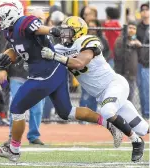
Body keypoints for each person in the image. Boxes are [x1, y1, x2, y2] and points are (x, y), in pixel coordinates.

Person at [0, 2, 122, 162]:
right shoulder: (10, 31)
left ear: (11, 14)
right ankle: (108, 123)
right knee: (66, 112)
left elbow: (38, 28)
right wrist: (7, 56)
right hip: (55, 71)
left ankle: (14, 149)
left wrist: (53, 30)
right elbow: (18, 48)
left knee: (17, 108)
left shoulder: (23, 21)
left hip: (45, 73)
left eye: (0, 18)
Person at [41, 16, 149, 162]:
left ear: (78, 32)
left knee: (107, 111)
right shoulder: (59, 49)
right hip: (104, 95)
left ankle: (136, 141)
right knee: (143, 128)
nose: (63, 34)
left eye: (67, 31)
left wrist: (55, 56)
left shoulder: (86, 41)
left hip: (114, 85)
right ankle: (138, 136)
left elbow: (80, 63)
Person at [0, 0, 45, 146]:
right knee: (16, 105)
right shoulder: (15, 32)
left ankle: (34, 135)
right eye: (35, 18)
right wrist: (3, 69)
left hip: (38, 76)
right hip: (19, 73)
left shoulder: (46, 36)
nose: (37, 22)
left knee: (37, 108)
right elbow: (5, 54)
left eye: (40, 19)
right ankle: (13, 135)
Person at [114, 21, 141, 105]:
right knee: (121, 98)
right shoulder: (120, 40)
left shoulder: (134, 40)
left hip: (132, 75)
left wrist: (136, 43)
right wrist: (129, 44)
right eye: (130, 28)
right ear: (126, 29)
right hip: (122, 75)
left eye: (134, 28)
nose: (132, 30)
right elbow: (119, 55)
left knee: (130, 99)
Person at [137, 2, 149, 119]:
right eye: (142, 10)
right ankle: (145, 113)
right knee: (141, 87)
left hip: (148, 62)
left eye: (147, 9)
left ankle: (147, 113)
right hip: (140, 61)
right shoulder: (137, 27)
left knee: (147, 87)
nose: (144, 11)